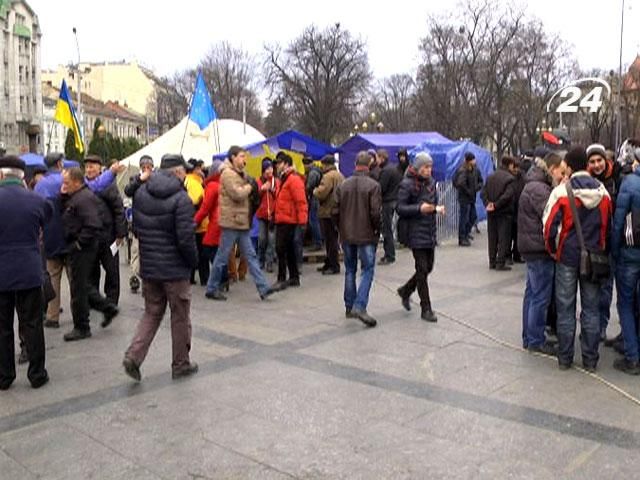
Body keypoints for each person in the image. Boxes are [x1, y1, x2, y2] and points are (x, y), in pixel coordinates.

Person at [123, 154, 199, 381]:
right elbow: (186, 238)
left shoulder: (142, 194)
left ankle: (134, 356)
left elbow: (137, 228)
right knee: (180, 316)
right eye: (184, 171)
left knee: (152, 312)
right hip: (175, 269)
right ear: (177, 172)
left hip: (150, 266)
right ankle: (181, 363)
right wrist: (193, 262)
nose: (185, 175)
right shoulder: (181, 199)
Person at [543, 146, 612, 372]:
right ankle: (590, 359)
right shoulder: (603, 193)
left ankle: (565, 358)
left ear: (570, 167)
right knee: (591, 309)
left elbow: (548, 227)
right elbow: (607, 227)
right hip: (593, 259)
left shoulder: (562, 192)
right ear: (587, 165)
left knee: (565, 308)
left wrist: (554, 250)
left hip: (567, 257)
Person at [35, 152, 120, 329]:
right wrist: (111, 172)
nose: (63, 185)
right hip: (72, 240)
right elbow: (95, 186)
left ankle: (53, 316)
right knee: (78, 282)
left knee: (57, 278)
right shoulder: (73, 185)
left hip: (54, 239)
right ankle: (87, 317)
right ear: (59, 164)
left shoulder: (40, 186)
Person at [0, 156, 52, 390]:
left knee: (2, 327)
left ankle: (5, 375)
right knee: (32, 323)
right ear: (22, 177)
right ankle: (37, 373)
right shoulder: (36, 199)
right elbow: (47, 217)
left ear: (1, 175)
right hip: (30, 270)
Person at [205, 146, 275, 301]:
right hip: (231, 221)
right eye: (242, 156)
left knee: (250, 256)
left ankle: (263, 288)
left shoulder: (241, 174)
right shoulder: (228, 174)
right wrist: (250, 187)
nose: (245, 159)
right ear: (233, 157)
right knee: (222, 257)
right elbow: (236, 194)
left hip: (241, 221)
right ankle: (211, 287)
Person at [60, 167, 119, 341]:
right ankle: (107, 307)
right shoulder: (77, 196)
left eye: (67, 183)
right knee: (82, 285)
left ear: (76, 182)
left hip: (83, 248)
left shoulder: (84, 198)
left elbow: (92, 224)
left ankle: (82, 326)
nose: (64, 186)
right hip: (80, 247)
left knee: (79, 287)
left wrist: (79, 243)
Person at [518, 152, 566, 355]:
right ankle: (536, 340)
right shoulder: (540, 189)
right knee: (539, 296)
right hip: (538, 248)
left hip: (531, 246)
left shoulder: (534, 183)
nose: (563, 176)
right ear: (552, 168)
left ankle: (529, 337)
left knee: (532, 293)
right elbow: (550, 216)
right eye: (561, 172)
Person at [333, 151, 382, 327]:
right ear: (369, 165)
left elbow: (335, 211)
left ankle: (349, 305)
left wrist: (340, 227)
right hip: (366, 234)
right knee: (367, 269)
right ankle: (360, 305)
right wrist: (377, 229)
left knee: (350, 269)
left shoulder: (343, 185)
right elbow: (375, 213)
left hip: (347, 234)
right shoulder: (373, 186)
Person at [396, 152, 445, 322]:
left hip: (429, 231)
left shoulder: (431, 183)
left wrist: (436, 208)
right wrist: (419, 208)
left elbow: (432, 202)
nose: (428, 170)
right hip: (414, 231)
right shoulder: (407, 184)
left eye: (430, 167)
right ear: (417, 167)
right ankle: (426, 308)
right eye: (425, 167)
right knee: (422, 270)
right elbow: (400, 208)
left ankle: (406, 290)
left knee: (428, 268)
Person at [610, 145, 640, 375]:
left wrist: (615, 251)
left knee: (626, 304)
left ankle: (632, 356)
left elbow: (618, 222)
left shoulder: (629, 184)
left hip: (629, 254)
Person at [586, 143, 619, 341]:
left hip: (610, 245)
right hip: (591, 244)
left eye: (599, 160)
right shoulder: (586, 181)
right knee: (591, 289)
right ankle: (592, 326)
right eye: (592, 161)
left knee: (606, 289)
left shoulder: (617, 178)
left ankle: (601, 327)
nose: (597, 165)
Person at [84, 155, 127, 307]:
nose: (89, 170)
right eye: (87, 167)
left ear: (99, 168)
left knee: (112, 270)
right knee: (91, 270)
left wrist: (120, 234)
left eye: (92, 167)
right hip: (90, 237)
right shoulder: (82, 186)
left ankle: (111, 301)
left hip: (108, 236)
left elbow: (119, 210)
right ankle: (94, 300)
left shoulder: (108, 186)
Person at [273, 152, 308, 290]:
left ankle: (282, 278)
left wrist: (302, 222)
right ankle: (294, 277)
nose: (276, 166)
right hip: (284, 218)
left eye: (279, 163)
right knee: (288, 249)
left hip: (288, 220)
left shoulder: (293, 180)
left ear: (286, 164)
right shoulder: (284, 179)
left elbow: (301, 201)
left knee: (280, 248)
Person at [125, 155, 154, 294]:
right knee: (136, 252)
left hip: (152, 225)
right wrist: (139, 179)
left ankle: (148, 281)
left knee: (149, 255)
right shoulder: (135, 180)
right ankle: (135, 277)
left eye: (149, 167)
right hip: (138, 224)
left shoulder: (156, 180)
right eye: (144, 168)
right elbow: (128, 190)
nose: (147, 170)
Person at [482, 156, 518, 271]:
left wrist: (488, 204)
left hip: (491, 212)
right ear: (510, 165)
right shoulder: (510, 179)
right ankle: (500, 262)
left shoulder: (490, 176)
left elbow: (483, 192)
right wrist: (497, 204)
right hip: (504, 212)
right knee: (503, 237)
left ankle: (492, 261)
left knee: (492, 237)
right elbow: (508, 195)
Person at [194, 160, 225, 286]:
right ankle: (224, 278)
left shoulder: (212, 186)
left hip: (215, 222)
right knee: (218, 251)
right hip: (224, 221)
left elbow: (205, 208)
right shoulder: (223, 184)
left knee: (208, 250)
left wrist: (194, 222)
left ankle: (222, 278)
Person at [314, 154, 344, 275]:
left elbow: (321, 193)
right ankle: (329, 262)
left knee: (329, 240)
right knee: (333, 239)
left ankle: (333, 265)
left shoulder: (327, 177)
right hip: (337, 211)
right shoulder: (340, 175)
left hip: (327, 211)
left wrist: (315, 190)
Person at [377, 148, 403, 265]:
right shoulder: (394, 168)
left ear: (382, 158)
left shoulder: (385, 171)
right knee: (388, 228)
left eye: (377, 158)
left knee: (387, 229)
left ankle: (389, 255)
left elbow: (381, 188)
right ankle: (389, 254)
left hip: (387, 201)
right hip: (395, 199)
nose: (376, 161)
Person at [185, 159, 207, 286]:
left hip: (193, 222)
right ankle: (203, 278)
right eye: (199, 168)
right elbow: (196, 200)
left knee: (193, 250)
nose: (201, 170)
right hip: (198, 222)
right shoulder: (193, 182)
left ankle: (191, 277)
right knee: (201, 253)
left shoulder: (191, 181)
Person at [256, 158, 279, 272]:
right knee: (262, 239)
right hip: (262, 214)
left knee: (271, 240)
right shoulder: (259, 181)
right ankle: (260, 261)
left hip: (273, 215)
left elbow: (279, 195)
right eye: (267, 168)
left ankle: (269, 262)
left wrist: (272, 190)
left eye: (271, 168)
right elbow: (255, 197)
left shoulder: (276, 181)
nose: (269, 170)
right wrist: (261, 189)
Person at [453, 152, 479, 247]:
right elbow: (459, 183)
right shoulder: (463, 170)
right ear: (470, 160)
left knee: (473, 216)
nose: (475, 161)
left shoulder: (473, 169)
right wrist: (468, 191)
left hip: (471, 197)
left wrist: (475, 188)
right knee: (464, 218)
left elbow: (478, 181)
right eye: (473, 159)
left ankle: (466, 233)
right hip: (465, 198)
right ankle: (462, 237)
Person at [303, 156, 323, 252]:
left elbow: (309, 187)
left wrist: (305, 192)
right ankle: (319, 241)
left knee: (313, 220)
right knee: (315, 220)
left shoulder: (313, 173)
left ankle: (317, 242)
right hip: (316, 198)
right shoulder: (316, 171)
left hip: (315, 199)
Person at [509, 157, 526, 264]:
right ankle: (512, 254)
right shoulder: (516, 178)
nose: (516, 170)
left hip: (517, 208)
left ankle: (516, 253)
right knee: (511, 234)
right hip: (512, 208)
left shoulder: (521, 178)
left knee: (515, 234)